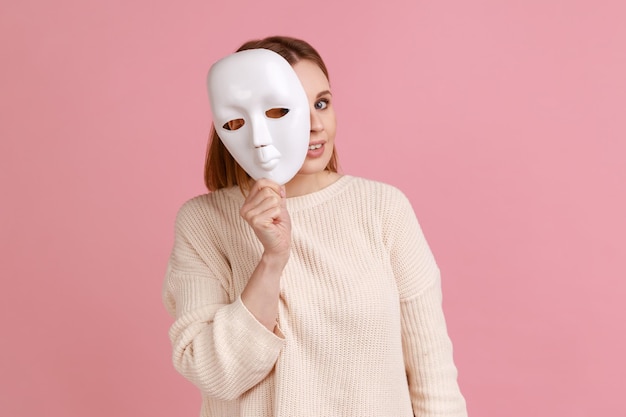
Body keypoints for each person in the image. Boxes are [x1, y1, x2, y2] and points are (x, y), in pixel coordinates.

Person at [162, 35, 468, 417]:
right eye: (283, 110)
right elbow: (216, 375)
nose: (315, 125)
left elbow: (432, 377)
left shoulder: (383, 209)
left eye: (321, 103)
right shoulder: (204, 223)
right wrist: (272, 261)